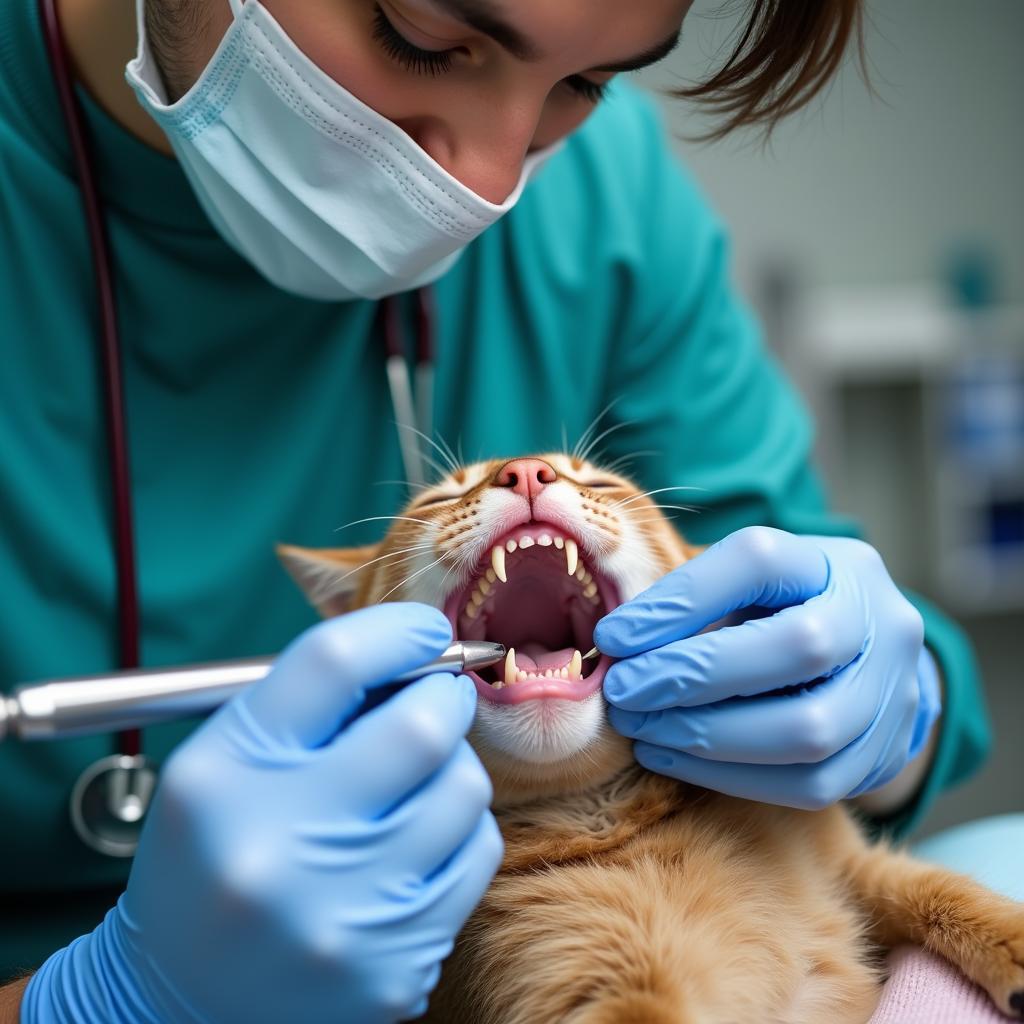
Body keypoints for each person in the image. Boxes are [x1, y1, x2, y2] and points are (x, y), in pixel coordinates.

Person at [0, 0, 999, 1020]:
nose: (488, 179)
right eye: (422, 39)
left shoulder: (606, 190)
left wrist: (889, 701)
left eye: (582, 86)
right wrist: (102, 1002)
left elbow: (828, 595)